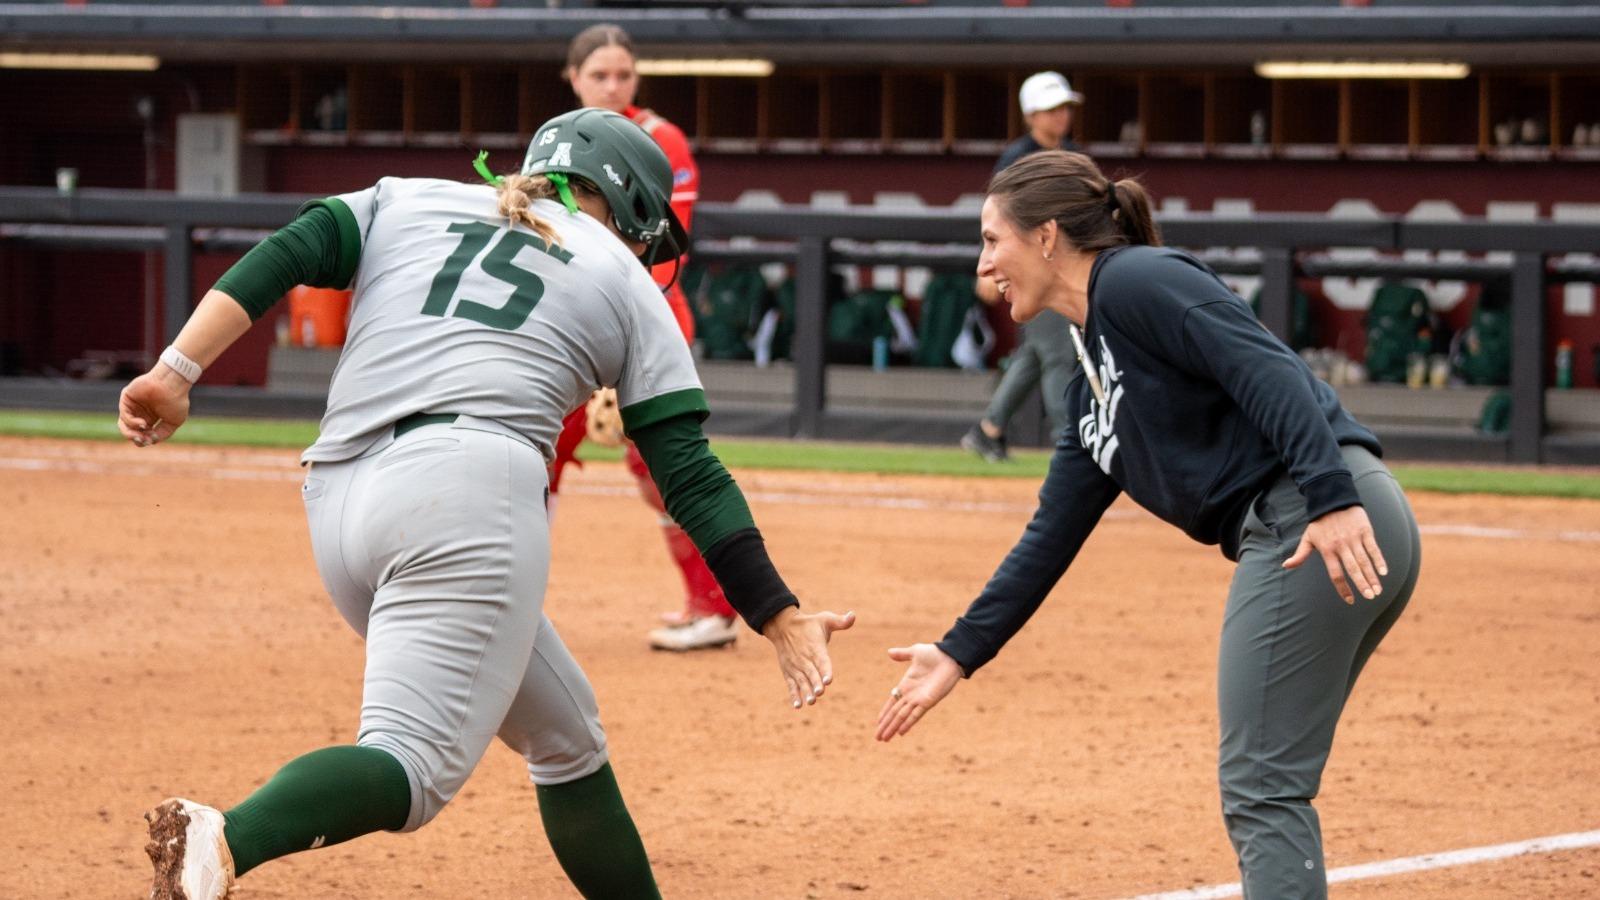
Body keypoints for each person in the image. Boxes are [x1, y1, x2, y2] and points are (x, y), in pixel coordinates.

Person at [122, 107, 855, 900]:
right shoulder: (617, 269)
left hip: (338, 497)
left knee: (566, 735)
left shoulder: (406, 198)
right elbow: (690, 475)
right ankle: (229, 835)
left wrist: (176, 368)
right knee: (411, 770)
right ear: (635, 206)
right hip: (466, 492)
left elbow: (288, 250)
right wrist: (778, 613)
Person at [880, 150, 1421, 900]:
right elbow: (1051, 534)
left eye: (991, 240)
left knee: (1262, 787)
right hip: (1322, 520)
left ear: (1044, 238)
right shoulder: (1088, 385)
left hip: (1314, 520)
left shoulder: (1136, 280)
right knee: (1270, 777)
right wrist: (959, 650)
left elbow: (1270, 370)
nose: (984, 266)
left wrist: (1328, 498)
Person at [547, 23, 735, 652]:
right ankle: (497, 602)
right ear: (573, 79)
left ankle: (713, 607)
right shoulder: (556, 142)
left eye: (623, 74)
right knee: (532, 455)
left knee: (662, 465)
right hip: (569, 318)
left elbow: (659, 244)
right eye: (599, 74)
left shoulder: (661, 139)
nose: (612, 85)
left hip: (647, 314)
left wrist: (615, 356)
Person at [962, 71, 1086, 462]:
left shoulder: (1072, 154)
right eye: (1051, 109)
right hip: (1030, 269)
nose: (1060, 116)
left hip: (1062, 265)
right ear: (1031, 115)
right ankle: (1070, 444)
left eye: (1064, 108)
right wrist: (989, 263)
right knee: (1058, 355)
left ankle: (988, 430)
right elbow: (994, 217)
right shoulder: (1018, 158)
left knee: (1036, 353)